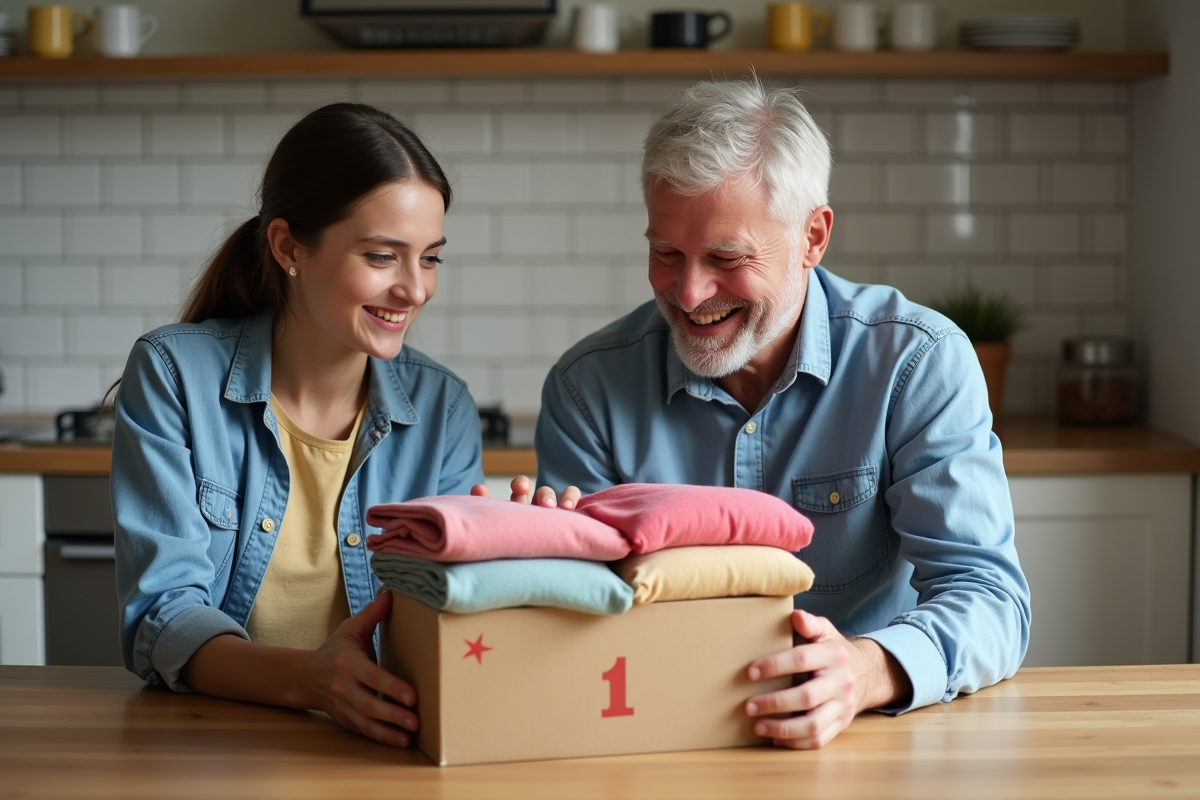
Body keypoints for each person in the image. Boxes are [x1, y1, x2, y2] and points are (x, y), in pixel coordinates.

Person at [528, 79, 1031, 749]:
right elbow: (578, 623)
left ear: (813, 236)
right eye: (666, 254)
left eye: (726, 258)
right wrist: (530, 561)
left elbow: (988, 596)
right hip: (655, 739)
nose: (690, 292)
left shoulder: (916, 362)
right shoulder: (588, 387)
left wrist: (868, 669)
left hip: (866, 742)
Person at [112, 104, 484, 748]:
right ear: (288, 247)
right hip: (210, 745)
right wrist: (310, 681)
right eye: (381, 256)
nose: (415, 289)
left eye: (430, 259)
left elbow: (451, 615)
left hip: (384, 748)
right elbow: (161, 618)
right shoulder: (174, 373)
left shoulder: (444, 407)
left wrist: (525, 544)